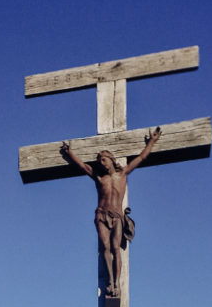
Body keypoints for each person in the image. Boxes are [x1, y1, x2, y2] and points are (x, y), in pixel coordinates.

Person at [60, 127, 161, 296]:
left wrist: (151, 141)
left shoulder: (123, 174)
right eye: (100, 160)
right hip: (101, 215)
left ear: (112, 160)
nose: (101, 162)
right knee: (105, 247)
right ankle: (109, 282)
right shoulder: (99, 178)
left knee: (116, 248)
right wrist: (70, 154)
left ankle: (117, 283)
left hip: (117, 216)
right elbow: (83, 167)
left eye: (104, 159)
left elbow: (142, 157)